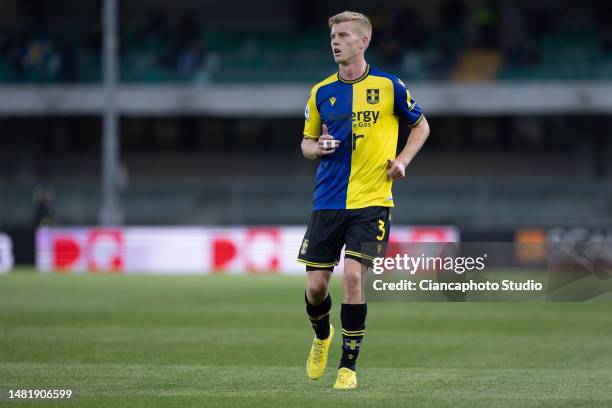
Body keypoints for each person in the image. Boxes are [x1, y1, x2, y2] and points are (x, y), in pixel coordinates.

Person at [297, 11, 430, 389]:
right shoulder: (321, 92)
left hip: (372, 200)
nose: (335, 42)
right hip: (328, 201)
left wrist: (402, 160)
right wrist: (317, 146)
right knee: (316, 288)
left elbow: (421, 125)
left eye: (342, 35)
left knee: (354, 276)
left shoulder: (389, 86)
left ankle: (348, 367)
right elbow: (305, 143)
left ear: (363, 41)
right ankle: (322, 336)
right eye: (332, 36)